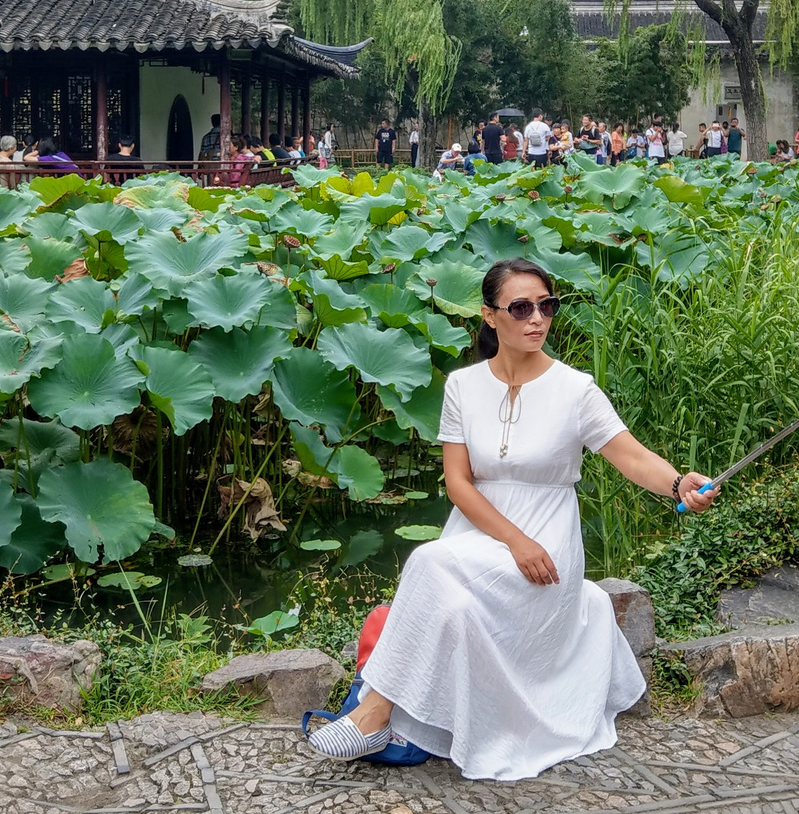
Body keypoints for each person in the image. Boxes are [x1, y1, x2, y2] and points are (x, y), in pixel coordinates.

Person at [306, 258, 719, 778]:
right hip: (480, 535)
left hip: (548, 545)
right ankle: (386, 713)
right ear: (489, 315)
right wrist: (513, 540)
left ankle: (374, 713)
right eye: (521, 307)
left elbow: (631, 456)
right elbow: (458, 483)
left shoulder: (576, 389)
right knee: (440, 581)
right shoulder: (462, 386)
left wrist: (679, 483)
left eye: (547, 306)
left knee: (429, 562)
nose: (537, 318)